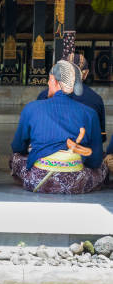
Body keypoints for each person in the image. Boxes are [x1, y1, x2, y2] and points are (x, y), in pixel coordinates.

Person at [11, 60, 107, 194]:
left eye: (49, 81)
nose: (48, 84)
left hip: (38, 180)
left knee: (15, 158)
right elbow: (95, 160)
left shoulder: (32, 108)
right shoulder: (89, 113)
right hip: (76, 182)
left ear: (54, 81)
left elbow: (17, 147)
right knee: (103, 164)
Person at [36, 53, 107, 142]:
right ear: (85, 73)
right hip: (82, 151)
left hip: (47, 151)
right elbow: (100, 137)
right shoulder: (96, 99)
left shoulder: (44, 95)